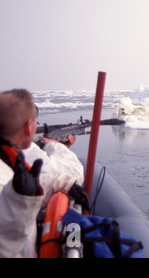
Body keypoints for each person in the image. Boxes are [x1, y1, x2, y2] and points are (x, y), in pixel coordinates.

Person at [0, 89, 88, 258]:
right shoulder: (25, 155)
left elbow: (42, 178)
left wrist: (66, 184)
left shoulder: (10, 157)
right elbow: (74, 172)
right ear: (28, 127)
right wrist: (55, 146)